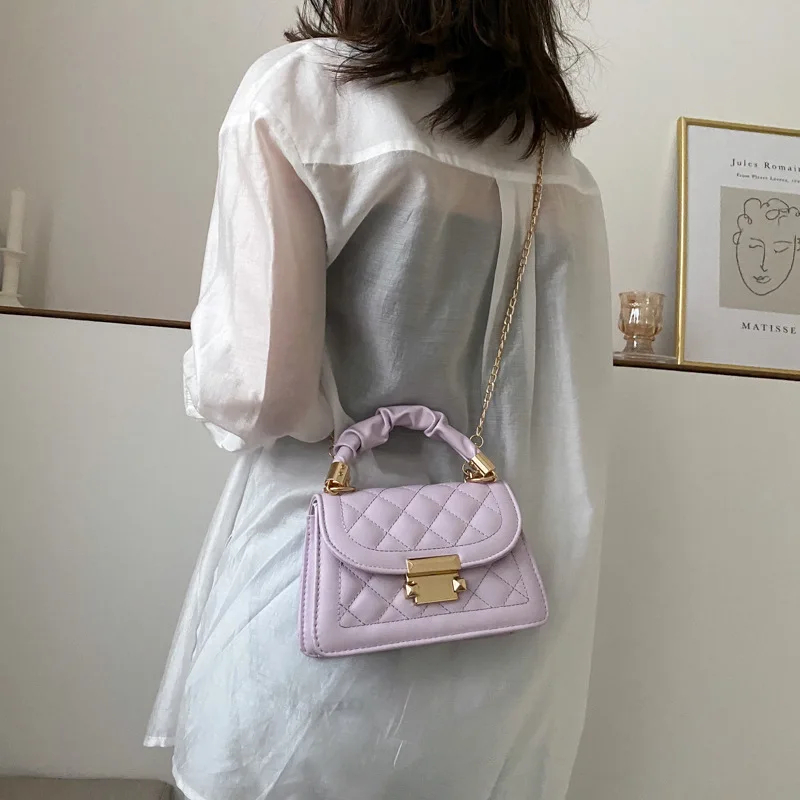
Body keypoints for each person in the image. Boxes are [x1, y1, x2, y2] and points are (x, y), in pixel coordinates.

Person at [145, 1, 611, 798]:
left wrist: (202, 372)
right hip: (498, 634)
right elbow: (568, 434)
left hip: (318, 618)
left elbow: (261, 392)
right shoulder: (555, 165)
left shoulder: (301, 98)